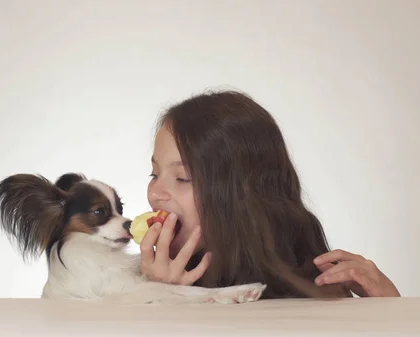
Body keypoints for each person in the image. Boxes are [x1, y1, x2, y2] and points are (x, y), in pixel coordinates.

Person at [138, 89, 401, 299]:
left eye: (182, 178)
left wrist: (392, 311)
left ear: (243, 195)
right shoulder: (137, 282)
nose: (155, 193)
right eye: (154, 174)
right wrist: (162, 296)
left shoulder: (315, 289)